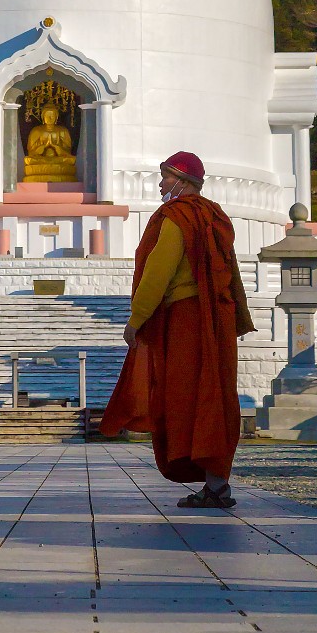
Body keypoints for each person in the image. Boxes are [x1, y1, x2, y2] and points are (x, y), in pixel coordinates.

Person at [100, 151, 253, 509]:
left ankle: (214, 485)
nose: (160, 184)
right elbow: (229, 271)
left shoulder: (176, 218)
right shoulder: (215, 215)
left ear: (182, 181)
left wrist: (137, 318)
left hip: (185, 318)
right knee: (214, 393)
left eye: (166, 177)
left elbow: (158, 271)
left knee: (184, 394)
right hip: (215, 317)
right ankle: (217, 484)